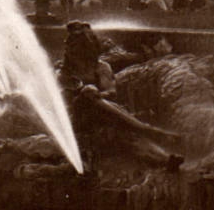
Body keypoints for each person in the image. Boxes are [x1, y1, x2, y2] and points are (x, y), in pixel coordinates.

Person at [58, 22, 182, 168]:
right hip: (77, 120)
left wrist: (98, 94)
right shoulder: (63, 73)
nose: (73, 50)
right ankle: (147, 130)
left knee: (123, 135)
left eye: (80, 45)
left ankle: (166, 159)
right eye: (72, 46)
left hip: (103, 115)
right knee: (87, 93)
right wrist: (88, 94)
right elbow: (64, 103)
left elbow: (111, 92)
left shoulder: (102, 67)